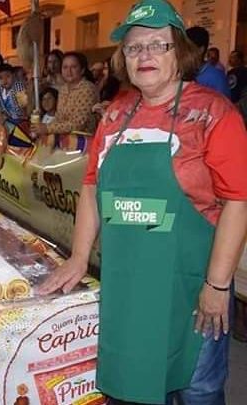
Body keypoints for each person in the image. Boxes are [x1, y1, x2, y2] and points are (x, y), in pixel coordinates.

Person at [38, 1, 247, 404]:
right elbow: (92, 189)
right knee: (131, 387)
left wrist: (218, 285)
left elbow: (238, 201)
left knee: (197, 389)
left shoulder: (212, 113)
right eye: (134, 47)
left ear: (179, 52)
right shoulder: (115, 116)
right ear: (123, 58)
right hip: (128, 287)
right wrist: (79, 257)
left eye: (157, 45)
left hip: (192, 289)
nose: (144, 55)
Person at [31, 52, 98, 137]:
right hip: (64, 140)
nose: (68, 71)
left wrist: (48, 128)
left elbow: (78, 124)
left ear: (82, 70)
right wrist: (42, 128)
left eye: (73, 67)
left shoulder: (87, 89)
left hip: (83, 142)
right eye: (65, 67)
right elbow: (59, 117)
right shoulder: (63, 89)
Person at [186, 26, 230, 98]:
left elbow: (224, 106)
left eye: (188, 48)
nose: (183, 52)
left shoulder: (217, 77)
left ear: (201, 50)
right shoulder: (182, 73)